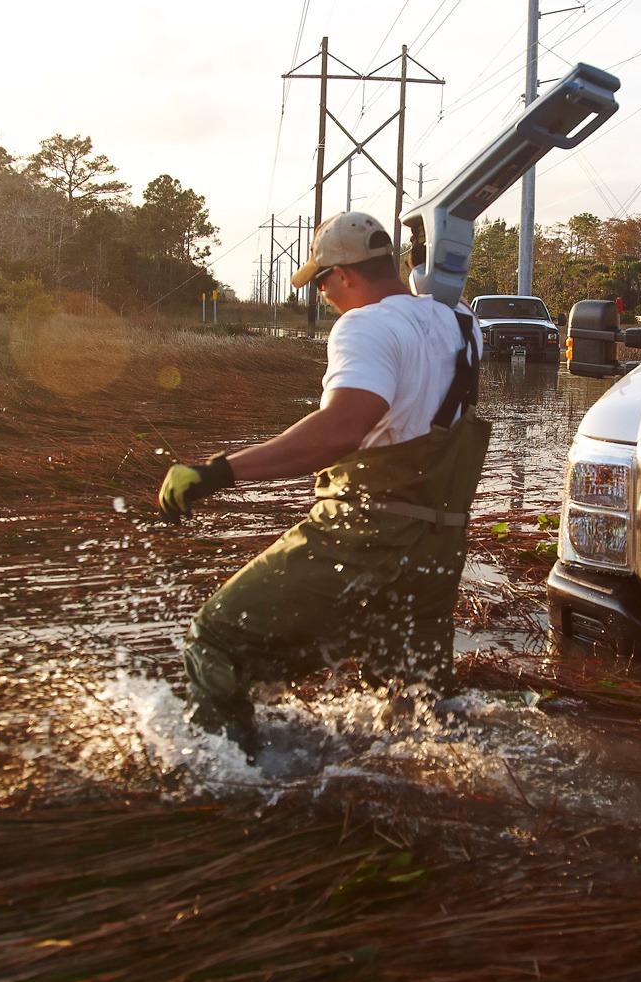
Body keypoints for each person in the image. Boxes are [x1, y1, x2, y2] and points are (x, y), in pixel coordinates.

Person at [157, 211, 488, 759]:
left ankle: (224, 785)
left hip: (366, 540)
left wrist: (219, 471)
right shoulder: (461, 323)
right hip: (436, 551)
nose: (321, 294)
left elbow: (340, 430)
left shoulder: (363, 327)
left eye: (320, 281)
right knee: (417, 708)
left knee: (217, 637)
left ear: (345, 274)